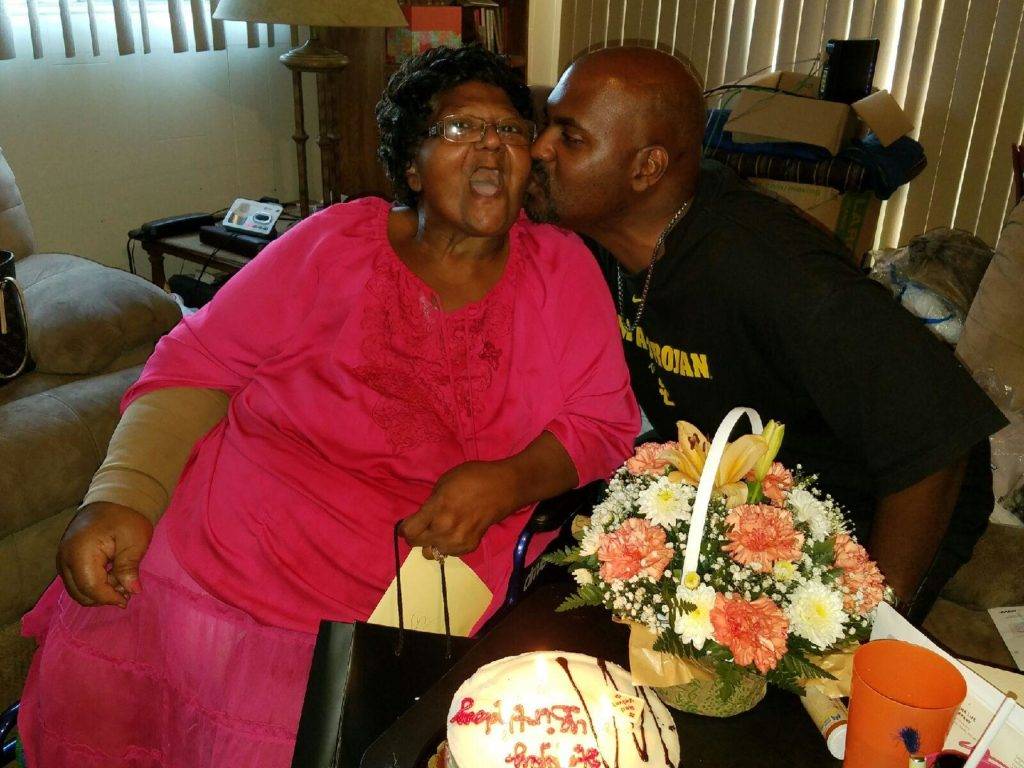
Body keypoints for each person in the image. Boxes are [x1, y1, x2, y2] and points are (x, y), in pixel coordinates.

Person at [19, 45, 638, 767]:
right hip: (223, 550)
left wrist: (507, 481)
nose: (491, 148)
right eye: (460, 129)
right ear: (411, 166)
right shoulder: (333, 243)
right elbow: (195, 364)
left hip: (394, 603)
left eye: (508, 129)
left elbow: (603, 424)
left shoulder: (562, 271)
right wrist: (120, 496)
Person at [524, 46, 1008, 621]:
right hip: (754, 488)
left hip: (878, 502)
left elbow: (937, 439)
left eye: (569, 136)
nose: (539, 149)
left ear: (646, 168)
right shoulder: (603, 241)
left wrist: (873, 621)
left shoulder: (772, 270)